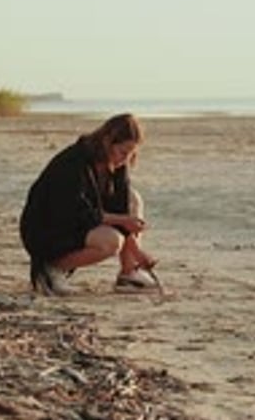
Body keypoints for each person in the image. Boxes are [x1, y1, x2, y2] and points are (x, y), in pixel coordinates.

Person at [19, 113, 157, 295]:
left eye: (131, 154)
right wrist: (122, 221)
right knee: (111, 241)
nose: (125, 159)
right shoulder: (74, 162)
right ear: (107, 141)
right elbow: (79, 212)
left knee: (133, 199)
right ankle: (51, 269)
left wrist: (136, 252)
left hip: (80, 219)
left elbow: (121, 208)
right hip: (48, 228)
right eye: (123, 152)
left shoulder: (117, 165)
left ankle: (128, 272)